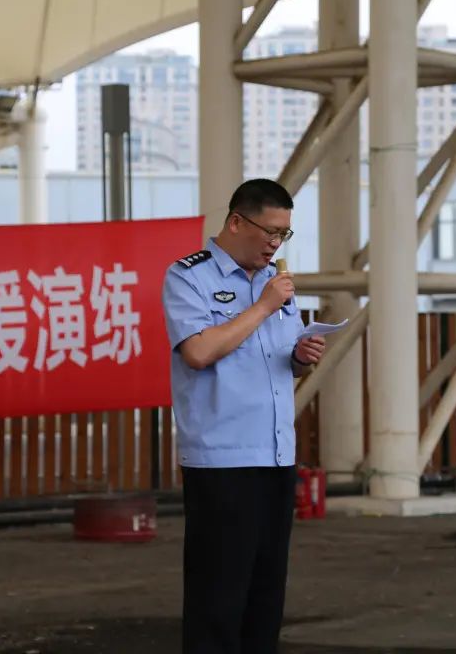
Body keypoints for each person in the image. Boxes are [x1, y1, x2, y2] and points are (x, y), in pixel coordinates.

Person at [162, 178, 327, 654]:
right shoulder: (189, 276)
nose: (276, 243)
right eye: (269, 231)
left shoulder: (277, 282)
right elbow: (198, 352)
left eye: (284, 234)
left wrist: (300, 356)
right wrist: (263, 306)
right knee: (218, 597)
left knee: (265, 595)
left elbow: (278, 360)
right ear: (236, 222)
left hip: (275, 455)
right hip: (222, 459)